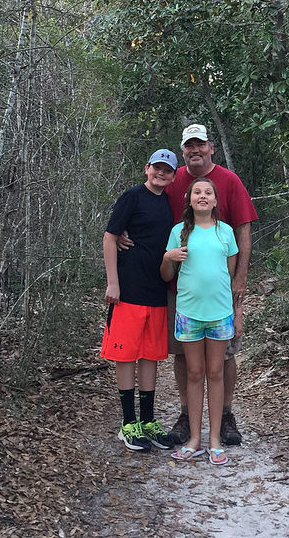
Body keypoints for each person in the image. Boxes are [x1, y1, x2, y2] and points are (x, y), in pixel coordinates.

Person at [117, 124, 258, 445]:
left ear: (210, 148)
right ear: (183, 150)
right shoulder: (172, 179)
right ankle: (185, 413)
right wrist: (121, 233)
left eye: (200, 145)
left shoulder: (228, 181)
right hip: (177, 290)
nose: (195, 150)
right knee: (183, 353)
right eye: (189, 146)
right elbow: (146, 206)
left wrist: (240, 280)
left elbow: (243, 231)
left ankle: (225, 415)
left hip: (220, 292)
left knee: (224, 355)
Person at [101, 149, 178, 452]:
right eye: (157, 168)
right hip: (128, 289)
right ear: (147, 169)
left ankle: (147, 421)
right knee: (126, 355)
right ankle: (128, 423)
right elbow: (110, 237)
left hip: (156, 290)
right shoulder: (131, 197)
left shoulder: (168, 204)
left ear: (173, 176)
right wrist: (112, 283)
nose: (161, 173)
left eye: (167, 170)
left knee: (150, 355)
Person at [161, 178, 238, 465]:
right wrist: (168, 257)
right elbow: (167, 275)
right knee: (194, 374)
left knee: (215, 373)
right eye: (197, 192)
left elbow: (227, 274)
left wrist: (233, 309)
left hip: (219, 314)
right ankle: (194, 439)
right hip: (188, 314)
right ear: (189, 200)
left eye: (208, 192)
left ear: (215, 201)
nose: (203, 196)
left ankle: (215, 440)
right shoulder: (178, 232)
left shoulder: (225, 233)